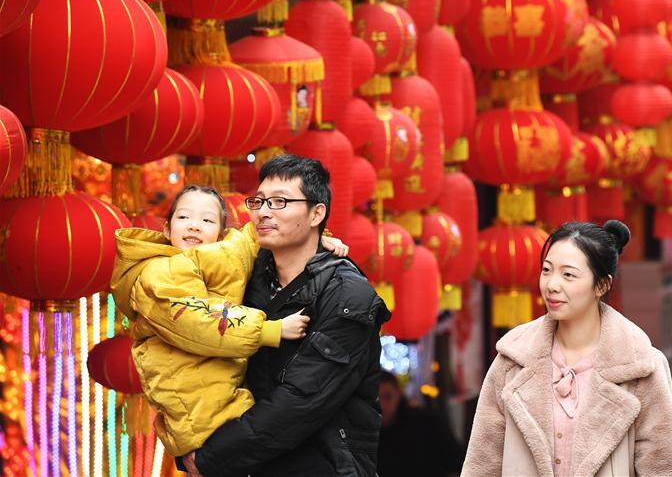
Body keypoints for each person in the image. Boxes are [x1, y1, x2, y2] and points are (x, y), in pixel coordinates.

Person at [185, 154, 391, 477]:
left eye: (280, 202)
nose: (264, 212)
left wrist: (210, 457)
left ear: (316, 214)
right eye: (260, 201)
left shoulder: (348, 296)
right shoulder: (251, 273)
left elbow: (300, 402)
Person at [111, 185, 335, 459]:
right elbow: (196, 320)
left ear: (221, 233)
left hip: (226, 388)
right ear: (167, 230)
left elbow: (254, 237)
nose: (194, 226)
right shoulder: (157, 273)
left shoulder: (223, 256)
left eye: (206, 220)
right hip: (195, 403)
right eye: (183, 218)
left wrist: (317, 238)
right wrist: (269, 329)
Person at [462, 220, 672, 477]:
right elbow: (482, 464)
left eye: (568, 275)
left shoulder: (638, 366)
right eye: (547, 270)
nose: (552, 284)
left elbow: (667, 468)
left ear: (602, 285)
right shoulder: (513, 359)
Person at [377, 371, 465, 477]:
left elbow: (458, 463)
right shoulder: (359, 433)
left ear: (398, 395)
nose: (382, 406)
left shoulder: (427, 423)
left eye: (387, 397)